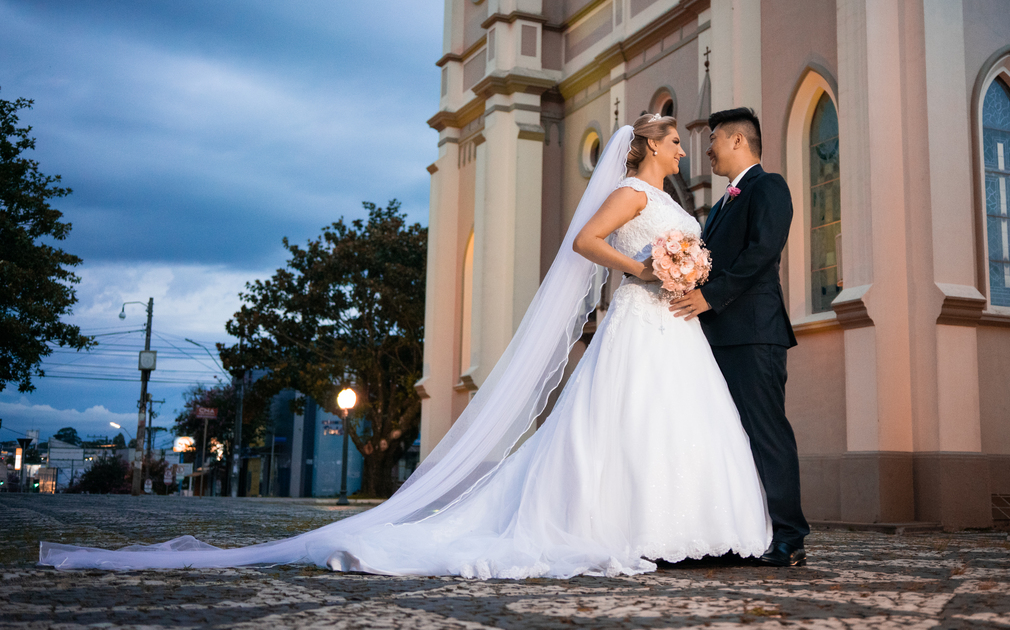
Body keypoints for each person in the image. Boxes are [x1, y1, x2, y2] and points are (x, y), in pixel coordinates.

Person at [41, 114, 771, 578]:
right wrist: (644, 266)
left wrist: (685, 272)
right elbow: (583, 242)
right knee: (624, 427)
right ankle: (628, 528)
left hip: (674, 328)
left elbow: (685, 254)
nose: (685, 146)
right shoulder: (635, 196)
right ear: (650, 146)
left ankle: (690, 531)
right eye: (676, 138)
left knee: (679, 425)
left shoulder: (678, 203)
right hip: (637, 322)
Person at [670, 107, 810, 567]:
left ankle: (789, 536)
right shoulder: (722, 204)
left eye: (713, 140)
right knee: (729, 437)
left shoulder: (768, 187)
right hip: (716, 338)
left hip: (753, 333)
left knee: (766, 433)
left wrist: (711, 297)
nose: (706, 149)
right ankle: (745, 531)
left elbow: (762, 252)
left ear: (736, 141)